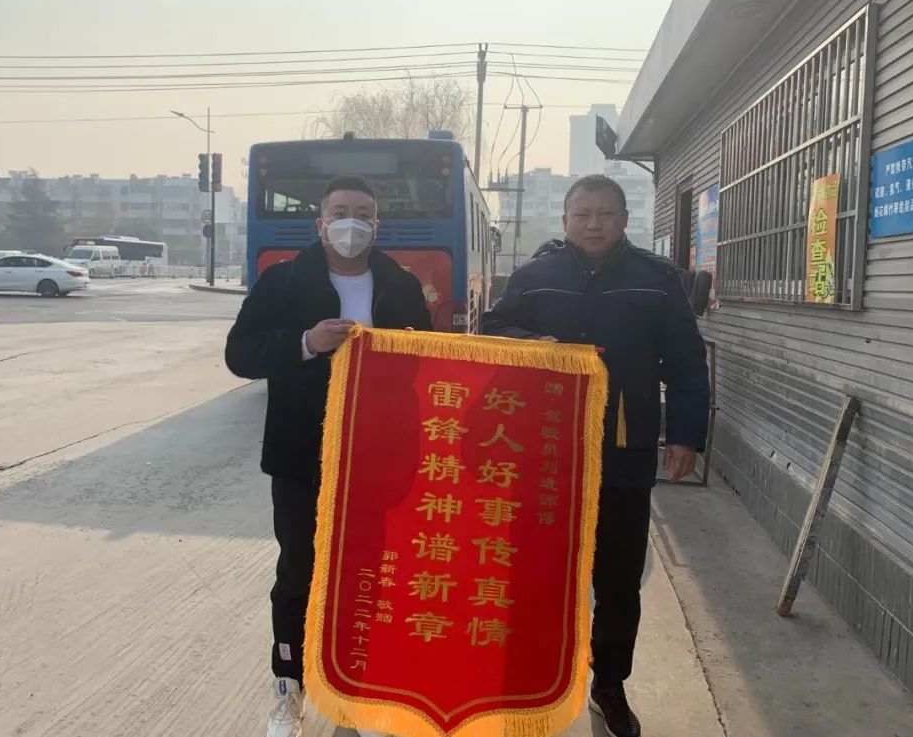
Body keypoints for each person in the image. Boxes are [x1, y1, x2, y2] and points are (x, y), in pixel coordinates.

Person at [481, 174, 709, 737]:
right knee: (535, 569)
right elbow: (492, 327)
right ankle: (527, 676)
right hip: (544, 450)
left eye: (605, 214)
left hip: (623, 449)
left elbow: (686, 362)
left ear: (624, 219)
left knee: (617, 577)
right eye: (582, 214)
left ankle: (609, 683)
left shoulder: (658, 281)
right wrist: (530, 343)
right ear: (565, 220)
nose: (593, 224)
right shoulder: (535, 276)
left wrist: (686, 436)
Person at [225, 175, 432, 737]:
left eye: (362, 212)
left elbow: (427, 362)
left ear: (376, 224)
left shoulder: (400, 286)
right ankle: (288, 687)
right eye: (339, 212)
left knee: (368, 573)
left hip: (379, 457)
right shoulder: (283, 281)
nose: (350, 222)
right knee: (299, 572)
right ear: (320, 223)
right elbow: (240, 354)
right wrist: (306, 343)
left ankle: (357, 692)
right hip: (302, 454)